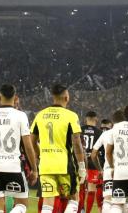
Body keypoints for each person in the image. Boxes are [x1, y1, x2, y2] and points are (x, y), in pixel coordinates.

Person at [0, 84, 38, 213]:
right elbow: (28, 146)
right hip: (13, 167)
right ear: (15, 98)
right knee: (22, 205)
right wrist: (34, 169)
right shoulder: (20, 116)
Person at [31, 84, 86, 213]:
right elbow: (77, 143)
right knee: (73, 198)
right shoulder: (71, 116)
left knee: (47, 203)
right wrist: (82, 166)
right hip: (65, 165)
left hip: (46, 166)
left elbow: (32, 141)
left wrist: (40, 154)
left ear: (53, 97)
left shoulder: (40, 115)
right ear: (66, 97)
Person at [92, 111, 124, 213]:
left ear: (113, 122)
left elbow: (93, 154)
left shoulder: (105, 134)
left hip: (108, 170)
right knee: (122, 202)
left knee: (107, 200)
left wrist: (100, 170)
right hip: (124, 170)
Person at [79, 111, 103, 213]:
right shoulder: (99, 132)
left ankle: (81, 210)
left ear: (86, 119)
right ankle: (87, 212)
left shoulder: (79, 130)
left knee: (80, 187)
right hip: (93, 163)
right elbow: (101, 151)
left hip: (81, 162)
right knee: (91, 189)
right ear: (96, 119)